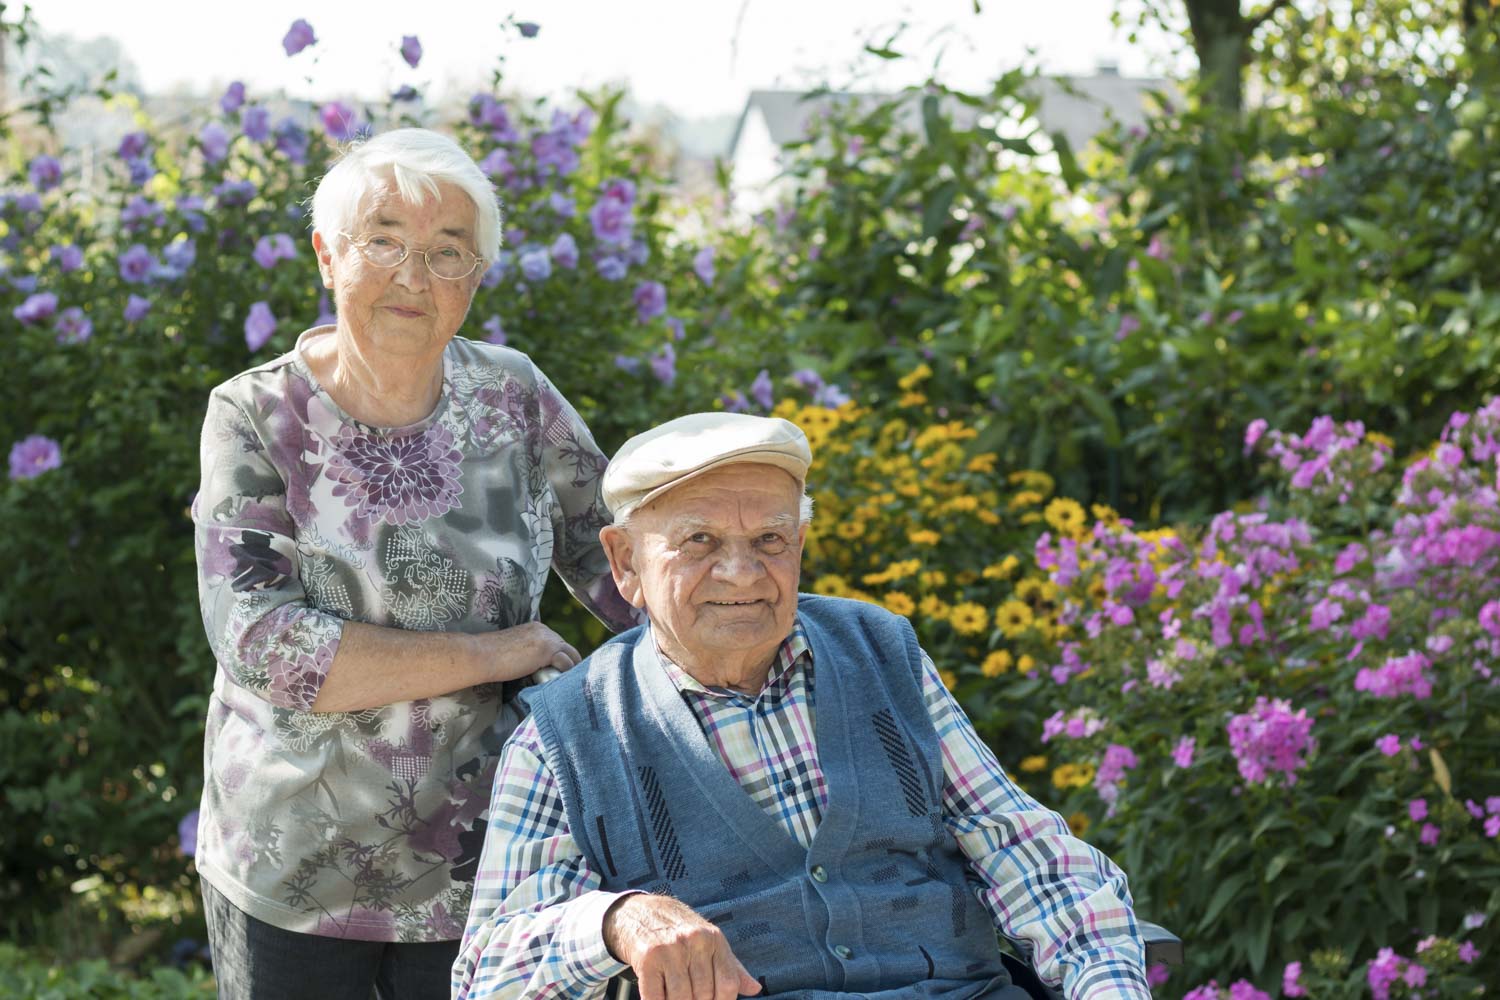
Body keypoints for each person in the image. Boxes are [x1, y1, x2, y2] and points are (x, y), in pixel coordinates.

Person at [453, 412, 1152, 1000]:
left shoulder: (880, 651)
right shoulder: (567, 735)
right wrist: (614, 923)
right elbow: (488, 976)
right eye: (699, 542)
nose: (742, 572)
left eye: (770, 540)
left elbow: (1026, 853)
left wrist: (1108, 984)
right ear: (626, 562)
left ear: (800, 545)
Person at [190, 127, 639, 1000]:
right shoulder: (253, 414)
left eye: (448, 252)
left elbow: (615, 560)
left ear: (476, 278)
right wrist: (500, 652)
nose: (414, 275)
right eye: (384, 240)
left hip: (492, 859)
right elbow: (268, 647)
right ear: (328, 255)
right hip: (293, 872)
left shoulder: (514, 394)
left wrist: (731, 642)